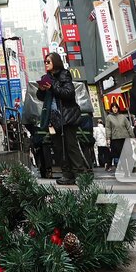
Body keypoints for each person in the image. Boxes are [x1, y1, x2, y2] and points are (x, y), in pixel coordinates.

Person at [35, 52, 90, 184]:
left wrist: (52, 87)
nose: (46, 64)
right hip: (52, 118)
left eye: (48, 61)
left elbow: (69, 93)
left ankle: (80, 175)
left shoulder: (64, 74)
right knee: (59, 147)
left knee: (71, 146)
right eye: (45, 62)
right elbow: (42, 98)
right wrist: (42, 90)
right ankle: (67, 174)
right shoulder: (45, 77)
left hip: (66, 116)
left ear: (55, 61)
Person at [104, 105, 133, 169]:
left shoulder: (123, 116)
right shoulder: (109, 117)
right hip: (116, 139)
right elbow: (108, 128)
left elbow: (128, 127)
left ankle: (131, 168)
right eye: (113, 108)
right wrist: (108, 138)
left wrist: (132, 136)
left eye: (116, 108)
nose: (115, 109)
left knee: (129, 154)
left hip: (125, 137)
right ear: (111, 109)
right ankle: (125, 170)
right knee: (121, 155)